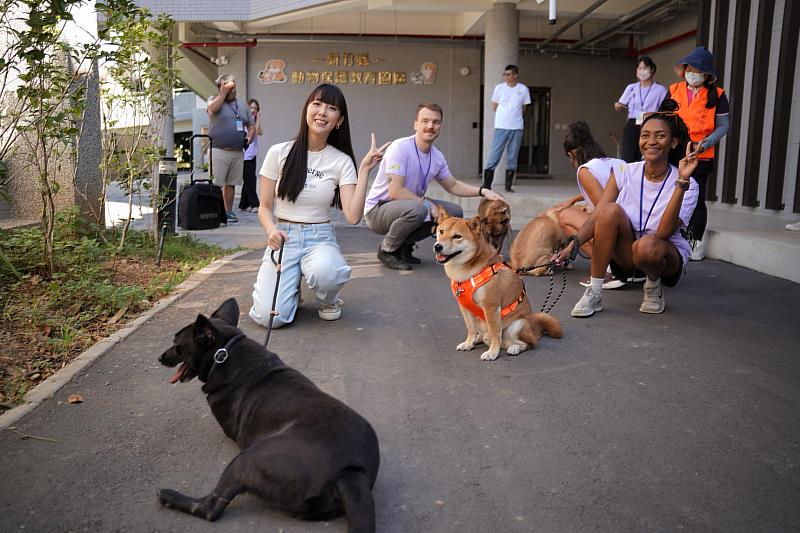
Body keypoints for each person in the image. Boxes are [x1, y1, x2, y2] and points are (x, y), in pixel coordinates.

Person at [249, 84, 389, 328]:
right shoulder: (279, 152)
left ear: (339, 120)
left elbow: (353, 216)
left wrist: (365, 170)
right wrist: (271, 231)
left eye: (331, 108)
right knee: (269, 318)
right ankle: (291, 290)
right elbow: (264, 207)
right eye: (317, 104)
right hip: (284, 236)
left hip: (319, 237)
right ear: (306, 110)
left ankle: (329, 300)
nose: (322, 112)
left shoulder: (341, 161)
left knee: (328, 272)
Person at [555, 100, 699, 317]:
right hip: (628, 254)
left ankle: (653, 285)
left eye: (660, 136)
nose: (651, 141)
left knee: (649, 245)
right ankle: (594, 292)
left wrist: (681, 181)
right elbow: (599, 214)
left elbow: (663, 233)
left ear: (674, 142)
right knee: (609, 211)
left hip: (663, 257)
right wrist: (573, 244)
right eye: (645, 135)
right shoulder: (625, 171)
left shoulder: (689, 185)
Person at [365, 102, 505, 270]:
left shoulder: (437, 156)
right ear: (415, 124)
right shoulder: (400, 148)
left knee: (453, 213)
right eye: (425, 121)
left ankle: (404, 245)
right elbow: (395, 191)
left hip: (409, 205)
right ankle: (387, 250)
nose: (430, 126)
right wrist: (426, 203)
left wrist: (483, 191)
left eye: (435, 122)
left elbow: (452, 185)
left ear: (440, 126)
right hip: (378, 211)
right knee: (420, 209)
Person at [670, 46, 730, 261]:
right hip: (676, 152)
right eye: (689, 68)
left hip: (701, 154)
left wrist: (707, 142)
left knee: (695, 199)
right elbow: (665, 119)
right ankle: (673, 238)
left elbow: (724, 125)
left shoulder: (718, 95)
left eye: (697, 70)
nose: (692, 73)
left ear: (707, 74)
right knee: (672, 196)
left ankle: (696, 242)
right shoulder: (674, 90)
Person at [556, 121, 628, 289]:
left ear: (573, 153)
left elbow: (604, 209)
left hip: (617, 234)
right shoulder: (618, 163)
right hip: (631, 234)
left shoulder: (585, 171)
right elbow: (609, 189)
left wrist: (571, 246)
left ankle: (609, 269)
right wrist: (575, 199)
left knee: (565, 216)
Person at [207, 74, 254, 224]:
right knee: (216, 183)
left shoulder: (242, 105)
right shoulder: (214, 100)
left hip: (237, 151)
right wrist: (223, 93)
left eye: (233, 89)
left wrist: (251, 133)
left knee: (231, 183)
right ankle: (214, 212)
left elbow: (250, 124)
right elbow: (212, 109)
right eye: (229, 88)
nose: (232, 92)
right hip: (218, 150)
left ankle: (228, 212)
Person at [481, 65, 531, 193]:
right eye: (505, 74)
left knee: (513, 156)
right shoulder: (499, 88)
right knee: (494, 154)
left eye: (508, 74)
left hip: (517, 126)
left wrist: (516, 117)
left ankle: (508, 186)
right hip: (501, 126)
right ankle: (487, 185)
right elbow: (494, 106)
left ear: (515, 75)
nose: (506, 76)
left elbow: (524, 108)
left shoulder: (523, 89)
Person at [615, 56, 669, 163]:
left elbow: (665, 110)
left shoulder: (660, 89)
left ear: (652, 70)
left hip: (650, 122)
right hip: (633, 123)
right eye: (639, 68)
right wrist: (619, 105)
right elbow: (618, 105)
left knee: (645, 155)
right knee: (628, 155)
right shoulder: (631, 87)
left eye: (645, 68)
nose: (642, 71)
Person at [239, 98, 263, 213]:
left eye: (256, 108)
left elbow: (259, 131)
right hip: (243, 154)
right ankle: (255, 204)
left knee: (248, 179)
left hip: (252, 154)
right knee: (250, 179)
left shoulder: (254, 120)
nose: (253, 110)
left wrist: (257, 118)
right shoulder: (242, 120)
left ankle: (244, 204)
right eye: (251, 107)